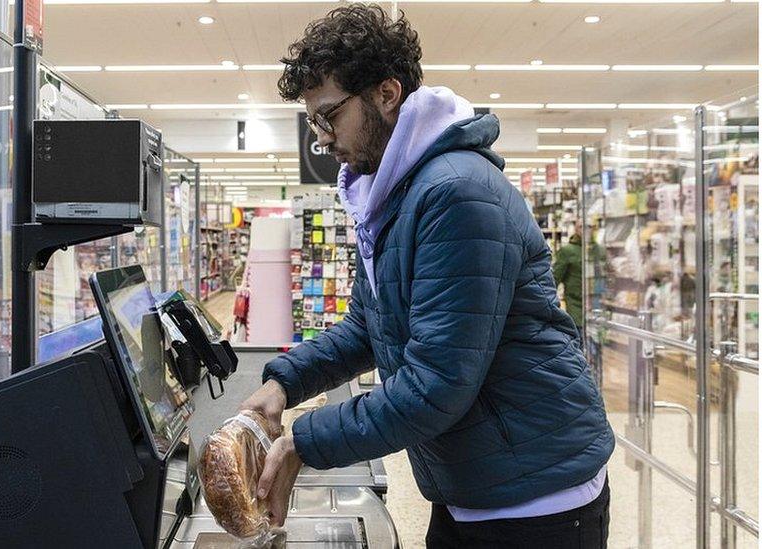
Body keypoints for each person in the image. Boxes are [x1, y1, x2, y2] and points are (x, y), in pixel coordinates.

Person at [239, 5, 614, 547]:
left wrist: (305, 441)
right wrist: (285, 382)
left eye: (329, 115)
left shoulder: (454, 192)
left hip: (534, 496)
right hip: (479, 478)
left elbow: (435, 385)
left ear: (386, 94)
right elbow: (369, 326)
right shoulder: (395, 195)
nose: (320, 139)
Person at [553, 221, 584, 339]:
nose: (587, 229)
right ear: (576, 229)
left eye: (591, 226)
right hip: (575, 309)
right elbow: (555, 278)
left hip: (596, 309)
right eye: (582, 226)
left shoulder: (598, 250)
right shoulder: (567, 251)